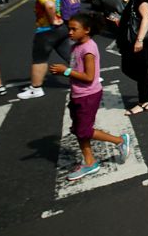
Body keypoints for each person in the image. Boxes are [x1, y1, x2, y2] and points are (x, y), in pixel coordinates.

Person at [49, 12, 131, 181]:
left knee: (84, 130)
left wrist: (65, 71)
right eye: (69, 29)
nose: (70, 32)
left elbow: (89, 76)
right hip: (77, 94)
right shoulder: (76, 46)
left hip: (88, 95)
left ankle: (120, 141)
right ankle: (90, 162)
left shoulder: (88, 49)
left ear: (86, 30)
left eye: (74, 29)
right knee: (79, 131)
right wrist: (68, 72)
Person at [17, 0, 71, 100]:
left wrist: (52, 20)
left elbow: (49, 6)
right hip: (62, 27)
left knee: (39, 59)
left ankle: (36, 88)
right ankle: (90, 77)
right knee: (70, 55)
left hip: (47, 30)